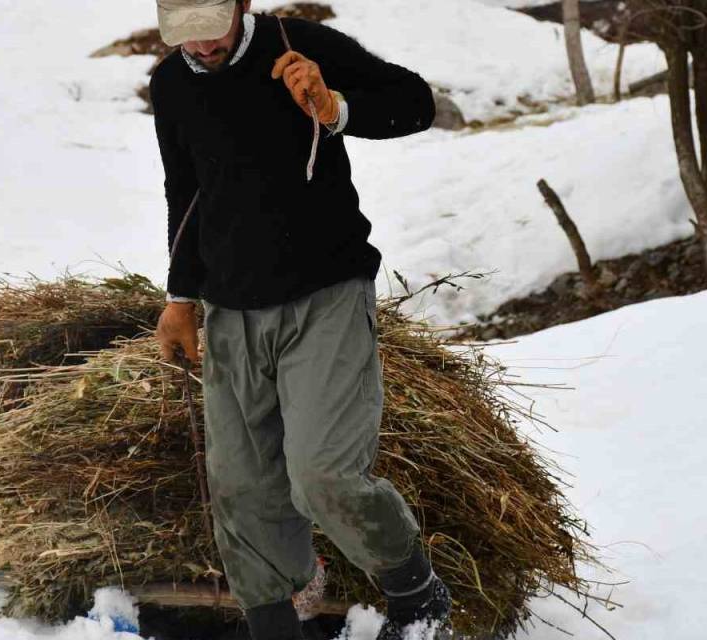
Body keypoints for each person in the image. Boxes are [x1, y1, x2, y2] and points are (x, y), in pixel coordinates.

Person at [149, 2, 449, 639]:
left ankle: (416, 595)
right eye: (183, 35)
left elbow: (416, 104)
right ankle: (278, 620)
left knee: (323, 474)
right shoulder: (173, 83)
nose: (199, 46)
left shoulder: (301, 45)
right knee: (242, 488)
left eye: (211, 28)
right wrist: (182, 296)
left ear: (241, 5)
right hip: (231, 310)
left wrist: (335, 107)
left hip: (325, 295)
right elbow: (186, 188)